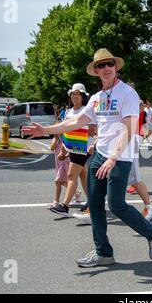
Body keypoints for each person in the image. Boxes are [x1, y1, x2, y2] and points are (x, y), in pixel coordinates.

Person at [22, 48, 152, 267]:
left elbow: (129, 128)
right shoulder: (96, 98)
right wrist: (46, 130)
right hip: (99, 155)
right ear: (95, 71)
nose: (105, 68)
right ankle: (103, 252)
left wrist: (113, 157)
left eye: (109, 64)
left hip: (120, 157)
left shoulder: (127, 93)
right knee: (94, 204)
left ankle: (151, 231)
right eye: (101, 65)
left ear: (115, 68)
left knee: (116, 205)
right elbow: (75, 122)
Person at [48, 83, 94, 218]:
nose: (75, 96)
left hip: (83, 147)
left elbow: (92, 130)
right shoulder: (68, 112)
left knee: (70, 176)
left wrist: (79, 126)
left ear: (83, 97)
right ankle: (92, 202)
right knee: (82, 175)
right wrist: (63, 149)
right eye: (73, 94)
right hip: (73, 148)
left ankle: (65, 206)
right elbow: (65, 132)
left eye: (78, 94)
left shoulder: (87, 111)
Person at [48, 134, 70, 207]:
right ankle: (76, 192)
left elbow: (70, 149)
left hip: (65, 162)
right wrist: (56, 139)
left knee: (57, 181)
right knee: (63, 181)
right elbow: (52, 148)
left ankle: (56, 201)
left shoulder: (66, 138)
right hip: (58, 163)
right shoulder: (56, 139)